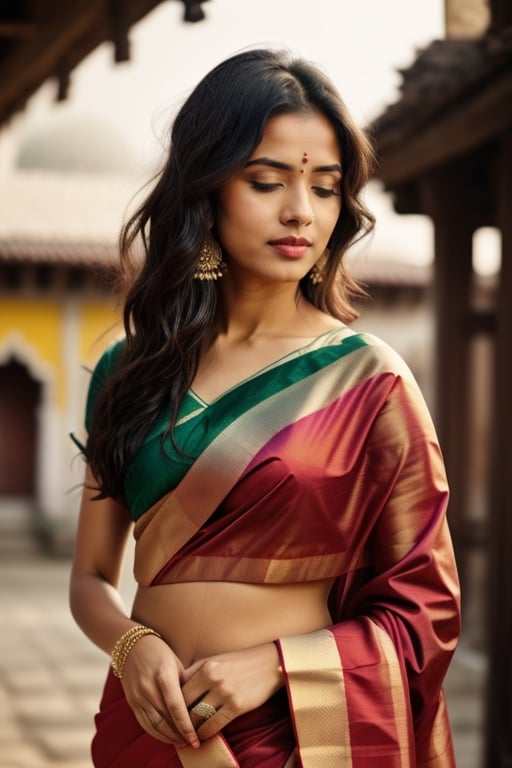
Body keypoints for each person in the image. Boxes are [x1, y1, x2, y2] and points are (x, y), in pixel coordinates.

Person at [69, 48, 460, 768]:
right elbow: (92, 577)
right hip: (146, 726)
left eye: (325, 187)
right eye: (267, 181)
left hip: (292, 734)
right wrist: (133, 643)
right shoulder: (131, 371)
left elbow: (425, 608)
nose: (300, 213)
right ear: (206, 189)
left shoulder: (369, 382)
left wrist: (280, 665)